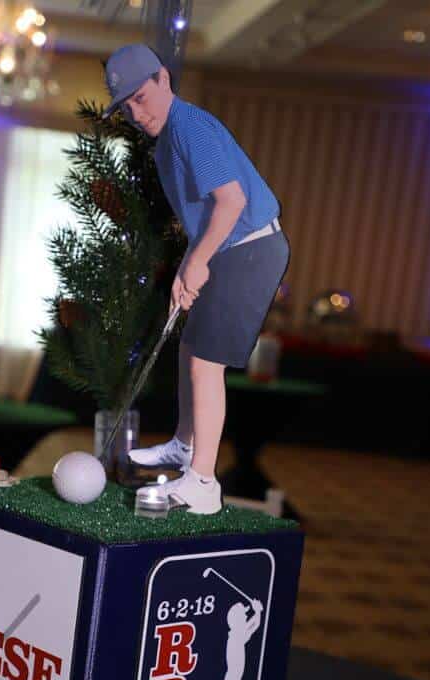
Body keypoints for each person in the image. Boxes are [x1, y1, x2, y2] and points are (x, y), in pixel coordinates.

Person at [103, 45, 290, 514]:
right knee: (190, 349)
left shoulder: (188, 127)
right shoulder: (167, 140)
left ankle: (203, 484)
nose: (135, 112)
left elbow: (231, 203)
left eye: (141, 97)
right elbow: (203, 218)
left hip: (251, 249)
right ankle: (184, 448)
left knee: (206, 363)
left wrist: (198, 262)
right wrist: (187, 272)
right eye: (125, 106)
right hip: (228, 248)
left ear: (163, 79)